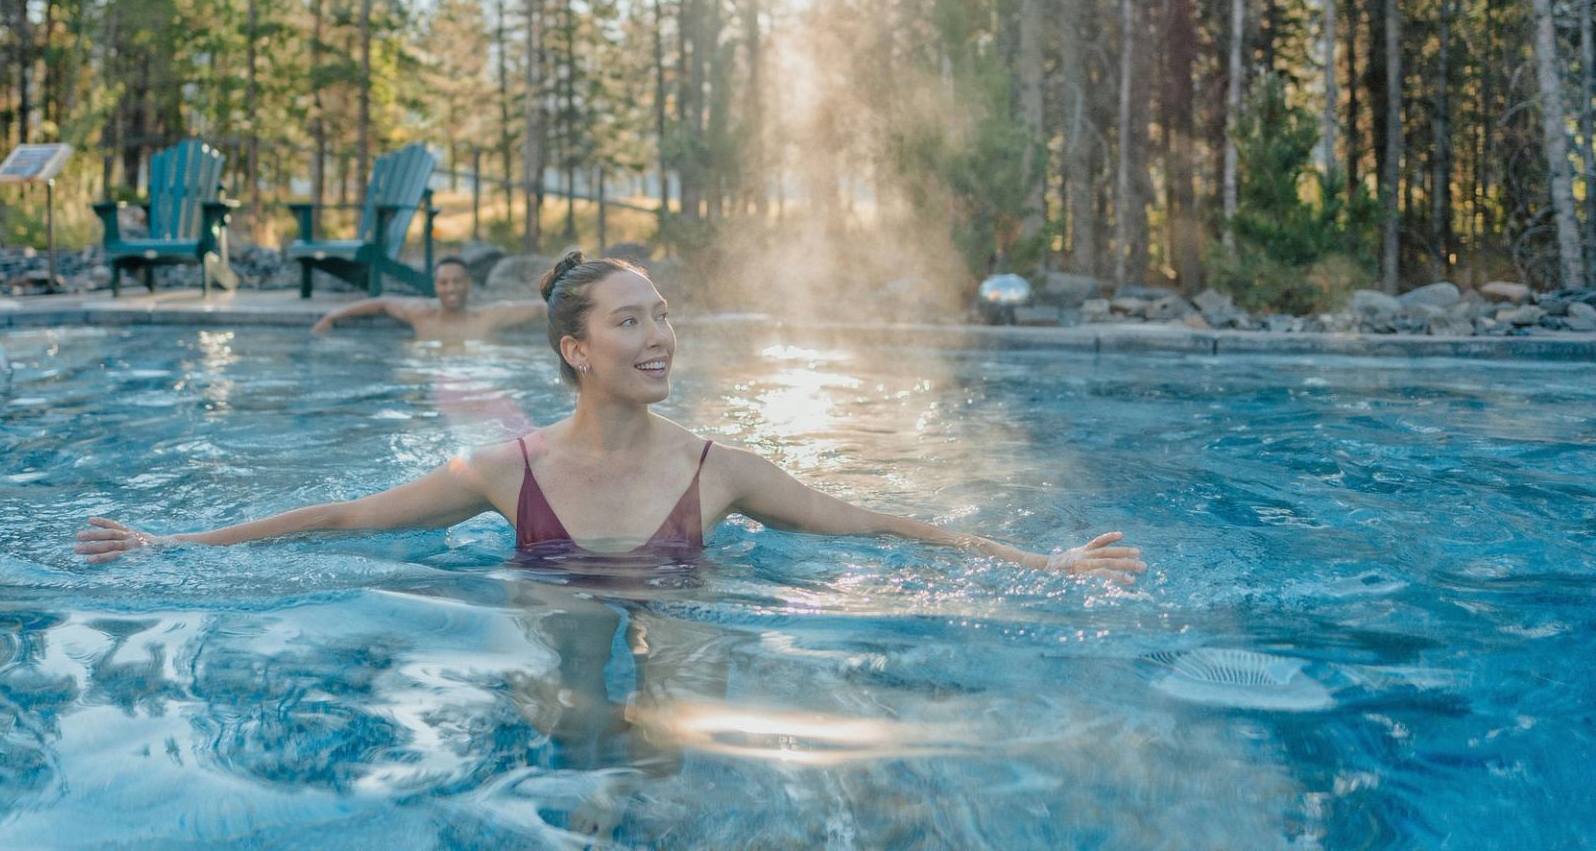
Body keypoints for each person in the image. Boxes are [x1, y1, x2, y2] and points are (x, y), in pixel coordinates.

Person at [81, 251, 1146, 581]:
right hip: (557, 622)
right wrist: (172, 540)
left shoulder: (719, 468)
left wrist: (1040, 562)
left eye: (665, 317)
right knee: (575, 713)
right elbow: (349, 516)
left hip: (684, 618)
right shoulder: (508, 468)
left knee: (670, 707)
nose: (661, 337)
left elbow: (867, 519)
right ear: (575, 349)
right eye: (632, 320)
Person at [309, 256, 544, 341]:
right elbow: (381, 302)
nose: (451, 288)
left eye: (457, 281)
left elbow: (537, 308)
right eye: (444, 282)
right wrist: (331, 316)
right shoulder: (420, 314)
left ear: (468, 283)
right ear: (436, 286)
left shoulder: (489, 316)